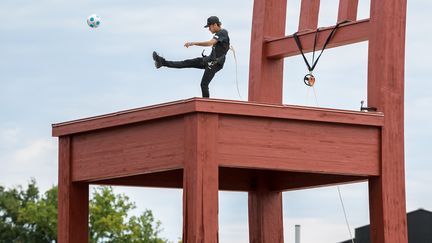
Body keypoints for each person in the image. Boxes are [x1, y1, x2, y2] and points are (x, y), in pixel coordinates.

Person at [152, 16, 230, 98]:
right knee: (187, 62)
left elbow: (210, 43)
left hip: (215, 63)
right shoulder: (219, 34)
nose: (209, 29)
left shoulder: (222, 32)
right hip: (209, 60)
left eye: (209, 27)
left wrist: (194, 43)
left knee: (204, 84)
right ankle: (162, 62)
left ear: (215, 25)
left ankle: (206, 106)